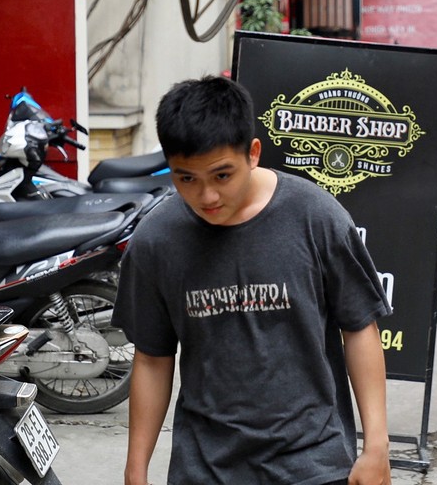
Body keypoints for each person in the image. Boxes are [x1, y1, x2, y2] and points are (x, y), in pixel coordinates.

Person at [115, 75, 393, 485]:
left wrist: (377, 446)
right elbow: (153, 359)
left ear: (253, 154)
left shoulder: (315, 217)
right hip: (206, 468)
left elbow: (360, 328)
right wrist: (136, 470)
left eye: (221, 175)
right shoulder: (157, 240)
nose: (206, 196)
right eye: (186, 178)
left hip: (314, 464)